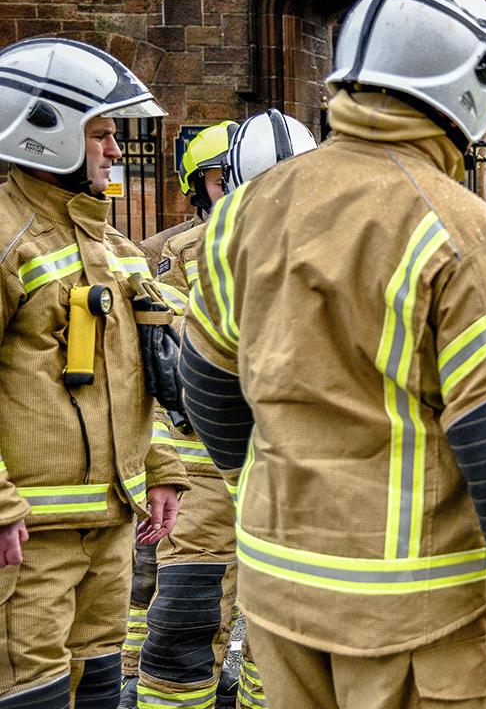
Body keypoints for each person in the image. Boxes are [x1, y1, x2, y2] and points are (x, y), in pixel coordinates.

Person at [179, 0, 486, 708]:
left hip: (277, 588)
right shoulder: (461, 229)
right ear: (468, 88)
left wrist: (259, 488)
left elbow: (206, 378)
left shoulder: (247, 210)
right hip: (410, 612)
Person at [0, 37, 190, 708]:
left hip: (111, 530)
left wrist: (164, 469)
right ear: (45, 134)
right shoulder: (6, 236)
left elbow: (143, 377)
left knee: (102, 690)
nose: (116, 151)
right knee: (33, 694)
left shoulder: (116, 250)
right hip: (27, 543)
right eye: (103, 135)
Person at [126, 111, 318, 709]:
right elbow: (180, 365)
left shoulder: (337, 249)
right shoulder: (184, 255)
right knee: (187, 613)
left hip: (293, 471)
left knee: (284, 630)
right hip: (209, 467)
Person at [119, 119, 237, 706]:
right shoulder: (161, 256)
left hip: (260, 466)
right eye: (220, 181)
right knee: (174, 599)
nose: (233, 192)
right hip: (189, 465)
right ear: (196, 187)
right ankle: (135, 675)